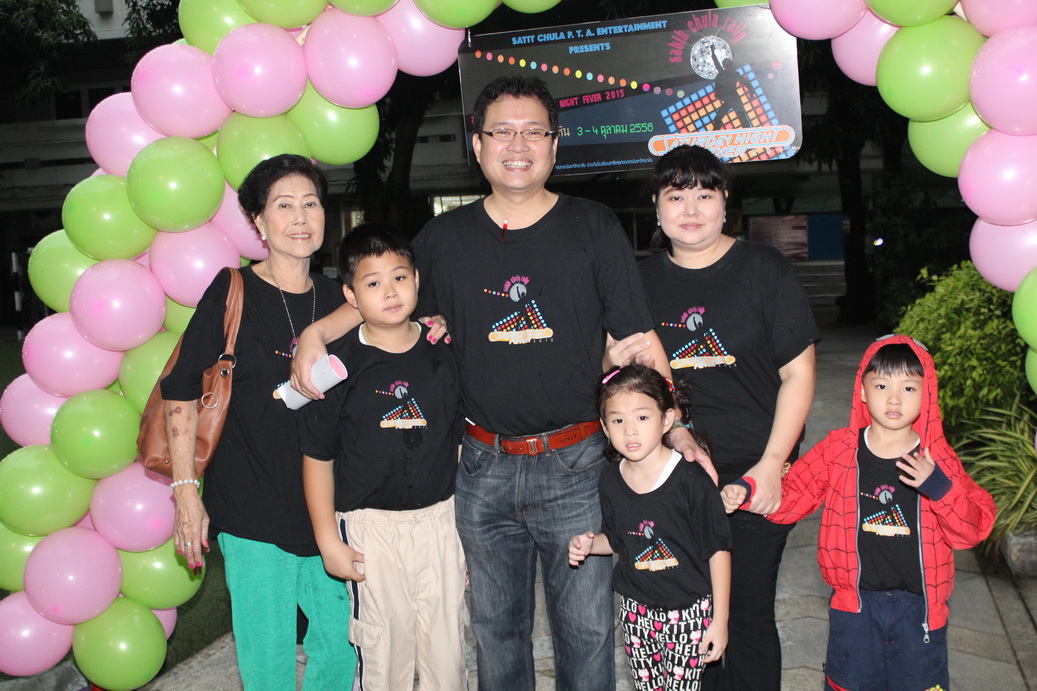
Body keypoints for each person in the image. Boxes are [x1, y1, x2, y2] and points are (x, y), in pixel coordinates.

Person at [290, 75, 710, 690]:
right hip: (481, 470)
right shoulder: (445, 239)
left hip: (578, 465)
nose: (518, 144)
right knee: (496, 635)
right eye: (502, 132)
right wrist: (316, 333)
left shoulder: (593, 227)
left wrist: (679, 430)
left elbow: (640, 339)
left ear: (554, 144)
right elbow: (381, 297)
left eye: (533, 131)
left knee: (587, 635)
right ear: (478, 145)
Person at [609, 144, 819, 690]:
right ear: (656, 208)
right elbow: (632, 383)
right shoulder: (639, 283)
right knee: (684, 612)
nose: (691, 209)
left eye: (705, 195)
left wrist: (772, 464)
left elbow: (798, 375)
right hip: (671, 476)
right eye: (676, 196)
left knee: (745, 613)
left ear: (726, 202)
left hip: (754, 474)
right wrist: (665, 420)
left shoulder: (765, 269)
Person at [162, 154, 355, 690]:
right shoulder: (232, 292)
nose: (300, 218)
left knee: (342, 650)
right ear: (258, 222)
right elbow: (179, 390)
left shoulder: (341, 298)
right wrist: (186, 493)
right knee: (268, 664)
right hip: (251, 506)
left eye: (311, 204)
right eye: (284, 206)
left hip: (330, 508)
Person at [727, 335, 997, 690]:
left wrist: (940, 488)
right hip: (854, 608)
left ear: (927, 394)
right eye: (882, 385)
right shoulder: (840, 450)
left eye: (909, 388)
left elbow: (973, 528)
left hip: (920, 610)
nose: (895, 399)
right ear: (864, 391)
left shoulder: (937, 458)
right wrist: (748, 492)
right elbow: (795, 492)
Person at [299, 223, 467, 690]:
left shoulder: (443, 351)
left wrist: (463, 532)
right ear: (350, 296)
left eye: (400, 277)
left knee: (448, 652)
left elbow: (456, 440)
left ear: (417, 280)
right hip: (371, 528)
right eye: (373, 283)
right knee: (383, 655)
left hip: (441, 521)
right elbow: (317, 457)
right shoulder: (338, 365)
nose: (390, 292)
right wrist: (328, 540)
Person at [569, 364, 731, 691]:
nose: (630, 431)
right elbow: (618, 541)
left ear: (667, 420)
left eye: (642, 417)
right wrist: (589, 545)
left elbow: (718, 550)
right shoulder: (610, 479)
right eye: (618, 421)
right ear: (604, 426)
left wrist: (720, 621)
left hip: (687, 612)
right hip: (636, 611)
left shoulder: (690, 479)